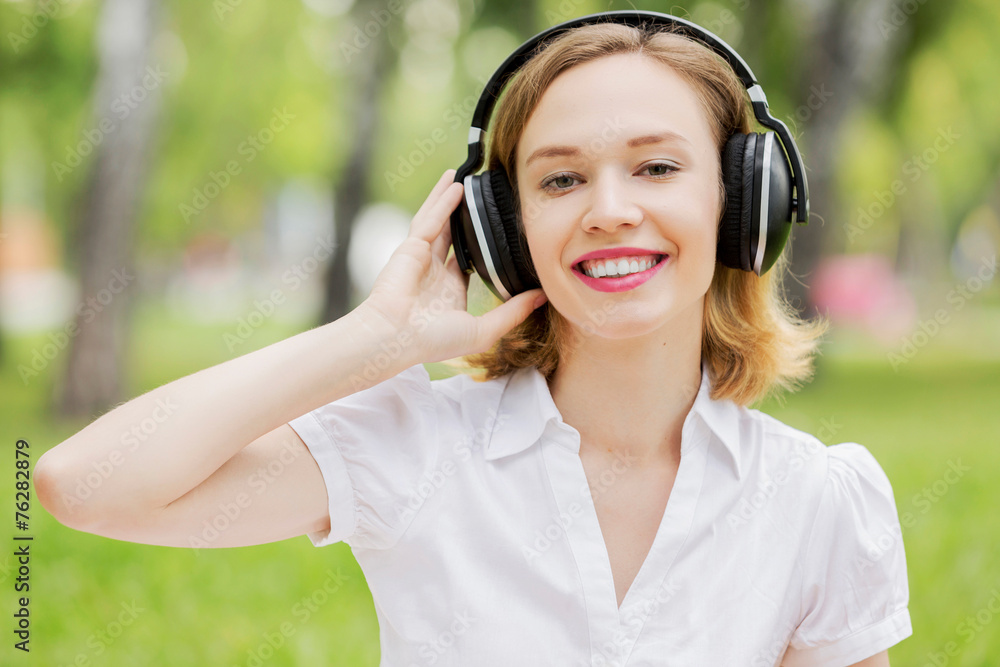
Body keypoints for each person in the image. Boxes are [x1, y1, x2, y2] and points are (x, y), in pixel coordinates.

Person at [35, 14, 912, 667]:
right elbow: (85, 485)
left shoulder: (814, 500)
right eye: (560, 178)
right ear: (501, 227)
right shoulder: (416, 449)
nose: (609, 209)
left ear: (740, 199)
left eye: (656, 166)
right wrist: (372, 339)